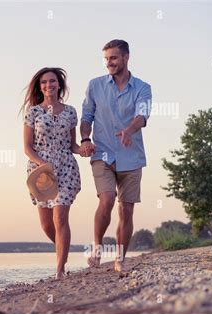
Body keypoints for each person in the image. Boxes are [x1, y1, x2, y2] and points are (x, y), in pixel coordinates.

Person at [80, 39, 152, 272]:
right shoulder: (95, 85)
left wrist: (129, 130)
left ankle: (120, 258)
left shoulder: (143, 88)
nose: (109, 63)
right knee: (107, 198)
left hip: (131, 155)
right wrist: (85, 139)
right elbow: (86, 117)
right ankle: (97, 246)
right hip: (102, 153)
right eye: (106, 59)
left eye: (113, 58)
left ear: (126, 57)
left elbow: (142, 115)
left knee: (126, 209)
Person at [22, 67, 83, 279]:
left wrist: (83, 149)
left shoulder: (70, 112)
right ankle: (63, 250)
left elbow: (72, 144)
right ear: (40, 87)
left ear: (59, 84)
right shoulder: (33, 112)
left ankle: (59, 270)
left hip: (66, 168)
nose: (49, 85)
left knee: (60, 217)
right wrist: (43, 165)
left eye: (53, 81)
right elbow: (27, 147)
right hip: (41, 172)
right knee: (47, 224)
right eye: (44, 82)